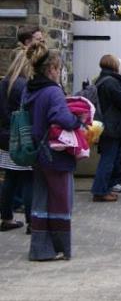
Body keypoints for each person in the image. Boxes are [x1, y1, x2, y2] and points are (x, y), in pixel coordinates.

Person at [24, 43, 80, 261]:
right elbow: (61, 118)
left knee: (40, 199)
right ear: (52, 69)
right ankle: (58, 246)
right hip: (55, 152)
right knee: (61, 200)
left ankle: (39, 248)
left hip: (36, 151)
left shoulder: (30, 89)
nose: (61, 72)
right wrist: (77, 121)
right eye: (59, 68)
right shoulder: (53, 91)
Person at [90, 55, 121, 202]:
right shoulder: (111, 82)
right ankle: (100, 190)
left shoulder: (102, 80)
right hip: (112, 126)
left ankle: (106, 188)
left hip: (106, 124)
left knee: (112, 156)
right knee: (108, 159)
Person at [0, 51, 33, 233]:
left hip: (5, 136)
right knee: (28, 178)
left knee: (10, 178)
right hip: (22, 137)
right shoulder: (24, 85)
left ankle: (6, 218)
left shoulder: (4, 83)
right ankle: (31, 221)